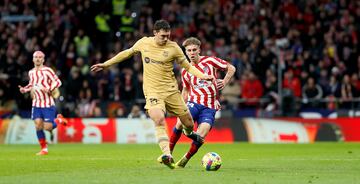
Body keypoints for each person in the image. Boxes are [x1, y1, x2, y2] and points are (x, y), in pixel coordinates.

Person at [91, 20, 213, 169]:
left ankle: (190, 133)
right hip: (153, 91)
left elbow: (187, 67)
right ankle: (167, 155)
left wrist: (203, 76)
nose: (166, 38)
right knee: (159, 118)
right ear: (155, 33)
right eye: (163, 36)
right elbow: (127, 53)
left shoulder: (174, 47)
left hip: (171, 91)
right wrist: (106, 64)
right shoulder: (144, 43)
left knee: (188, 122)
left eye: (168, 35)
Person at [169, 37, 236, 168]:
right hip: (194, 102)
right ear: (185, 52)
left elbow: (231, 68)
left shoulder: (210, 61)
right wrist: (180, 106)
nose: (192, 53)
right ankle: (168, 152)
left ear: (199, 50)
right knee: (179, 122)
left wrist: (225, 81)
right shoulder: (185, 70)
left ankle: (185, 159)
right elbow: (185, 90)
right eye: (189, 50)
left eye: (194, 50)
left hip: (210, 107)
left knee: (202, 134)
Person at [18, 51, 68, 155]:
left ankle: (58, 119)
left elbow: (58, 82)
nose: (38, 59)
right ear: (33, 59)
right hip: (36, 103)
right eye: (36, 57)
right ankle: (44, 149)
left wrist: (49, 88)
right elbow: (32, 84)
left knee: (47, 127)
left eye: (40, 57)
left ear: (43, 60)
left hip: (47, 103)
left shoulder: (47, 70)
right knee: (38, 126)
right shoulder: (31, 72)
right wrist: (24, 89)